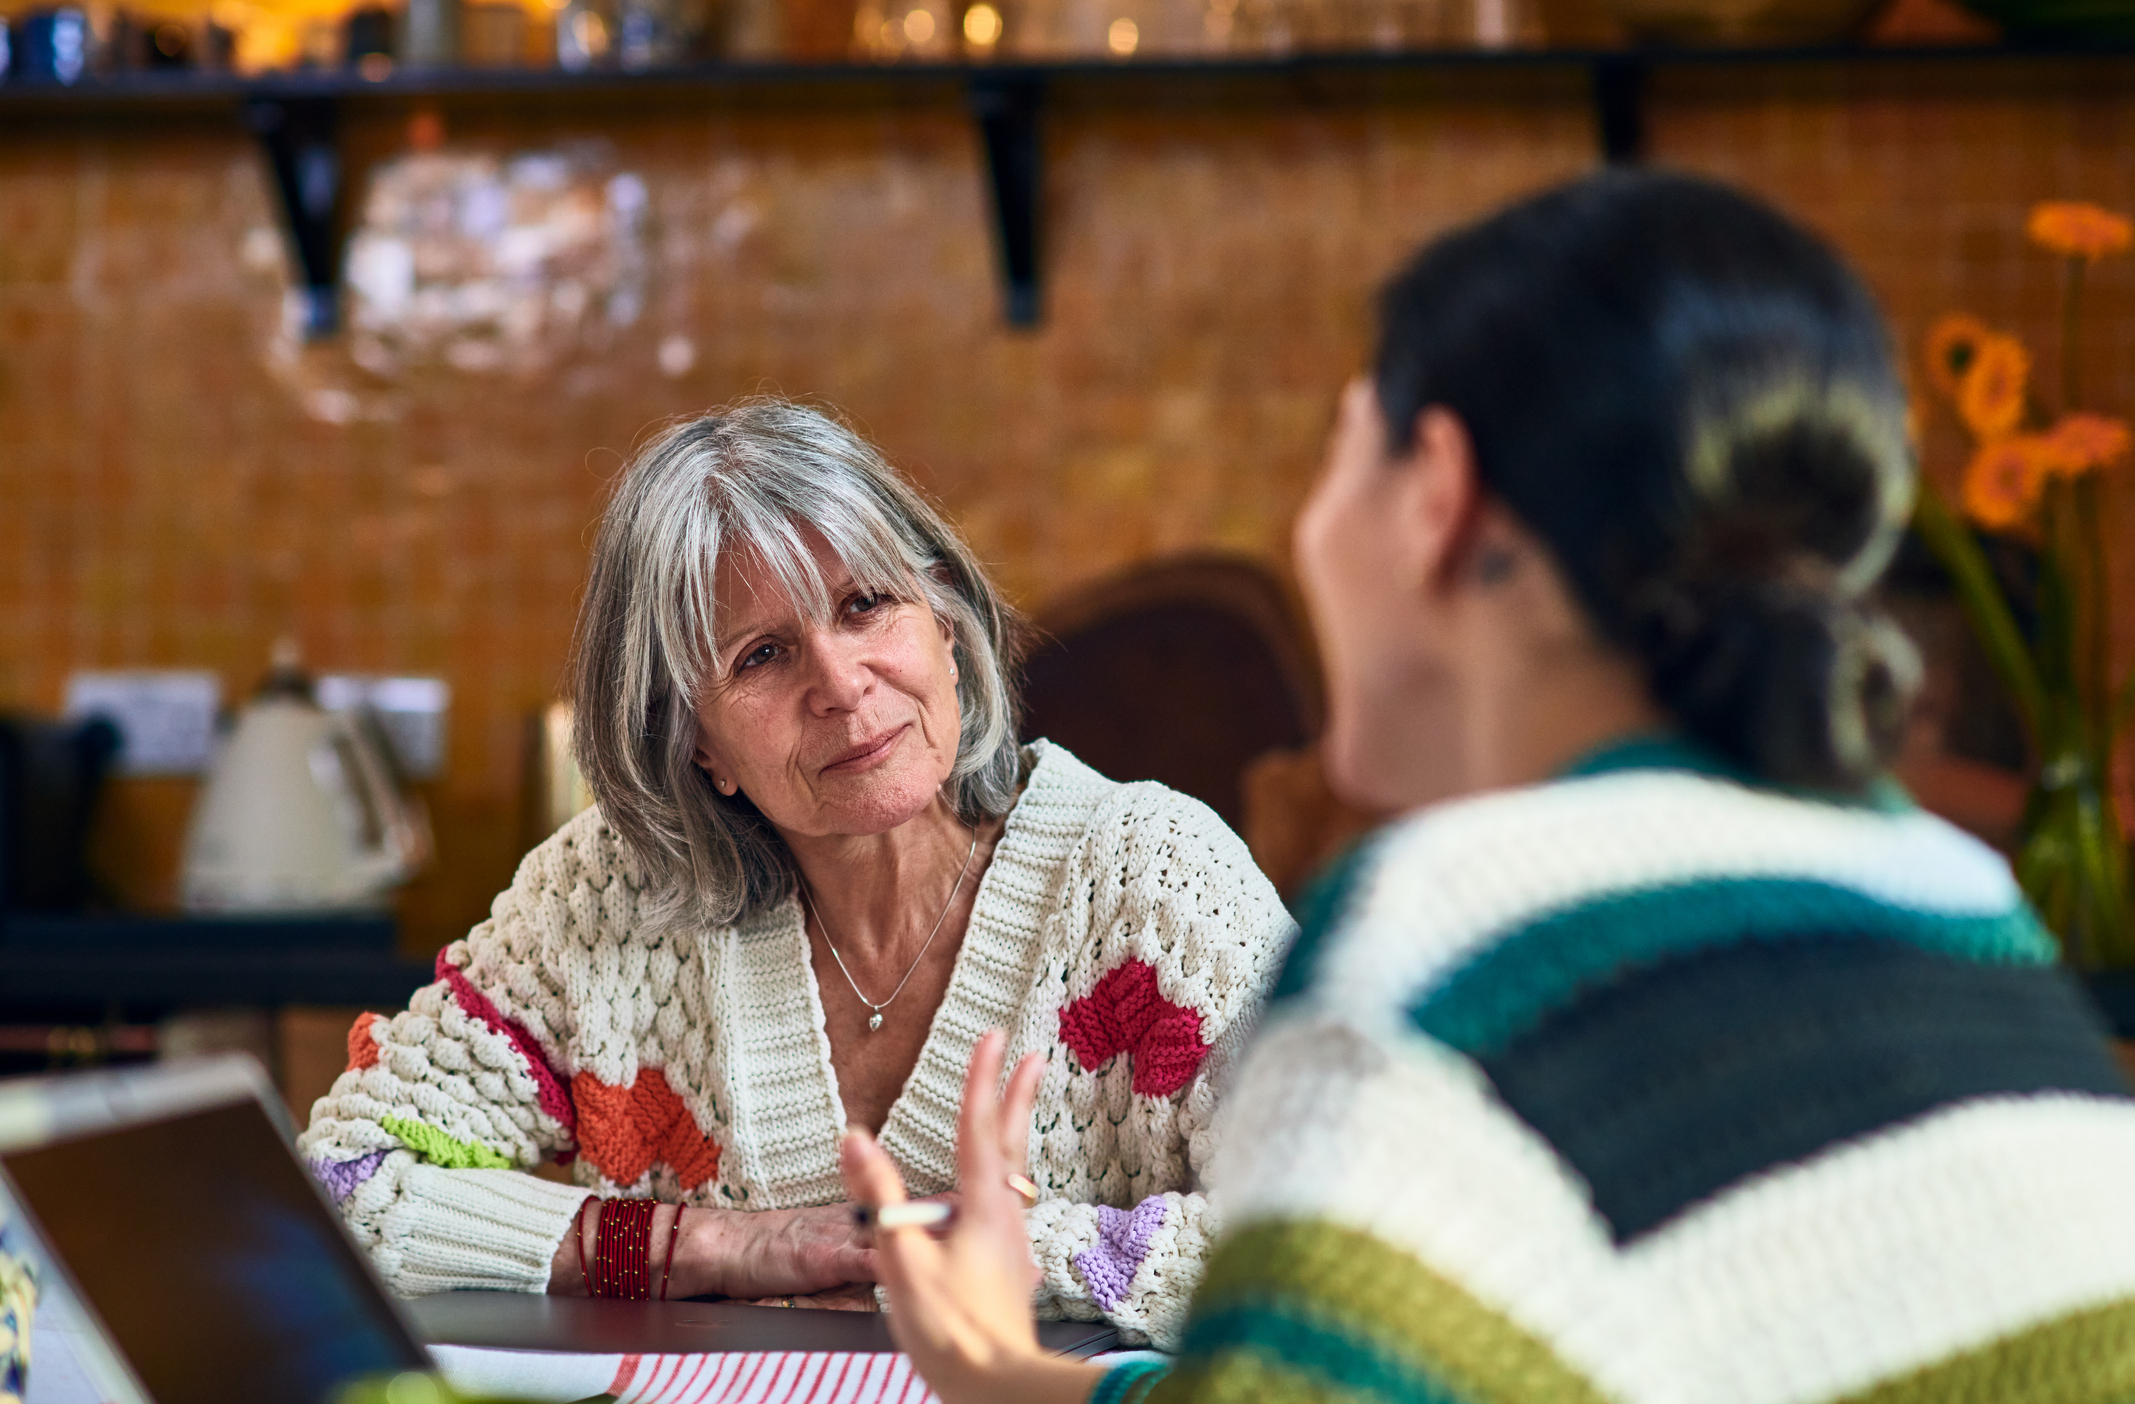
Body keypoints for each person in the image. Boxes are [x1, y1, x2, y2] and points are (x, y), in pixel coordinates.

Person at [840, 170, 2135, 1403]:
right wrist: (1013, 1375)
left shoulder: (1444, 931)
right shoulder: (1954, 897)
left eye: (1342, 447)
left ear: (1438, 498)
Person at [298, 401, 1295, 1348]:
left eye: (866, 605)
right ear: (696, 742)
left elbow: (1347, 1234)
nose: (841, 684)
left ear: (945, 625)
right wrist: (714, 1250)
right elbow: (340, 1188)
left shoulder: (1151, 878)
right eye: (762, 655)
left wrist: (998, 1254)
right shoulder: (608, 901)